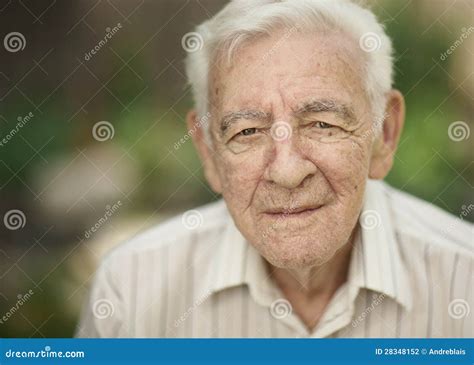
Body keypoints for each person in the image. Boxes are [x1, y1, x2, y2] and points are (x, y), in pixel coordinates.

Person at [77, 0, 473, 338]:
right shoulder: (130, 292)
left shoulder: (463, 280)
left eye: (323, 124)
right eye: (247, 131)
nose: (286, 171)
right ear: (209, 152)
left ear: (384, 133)